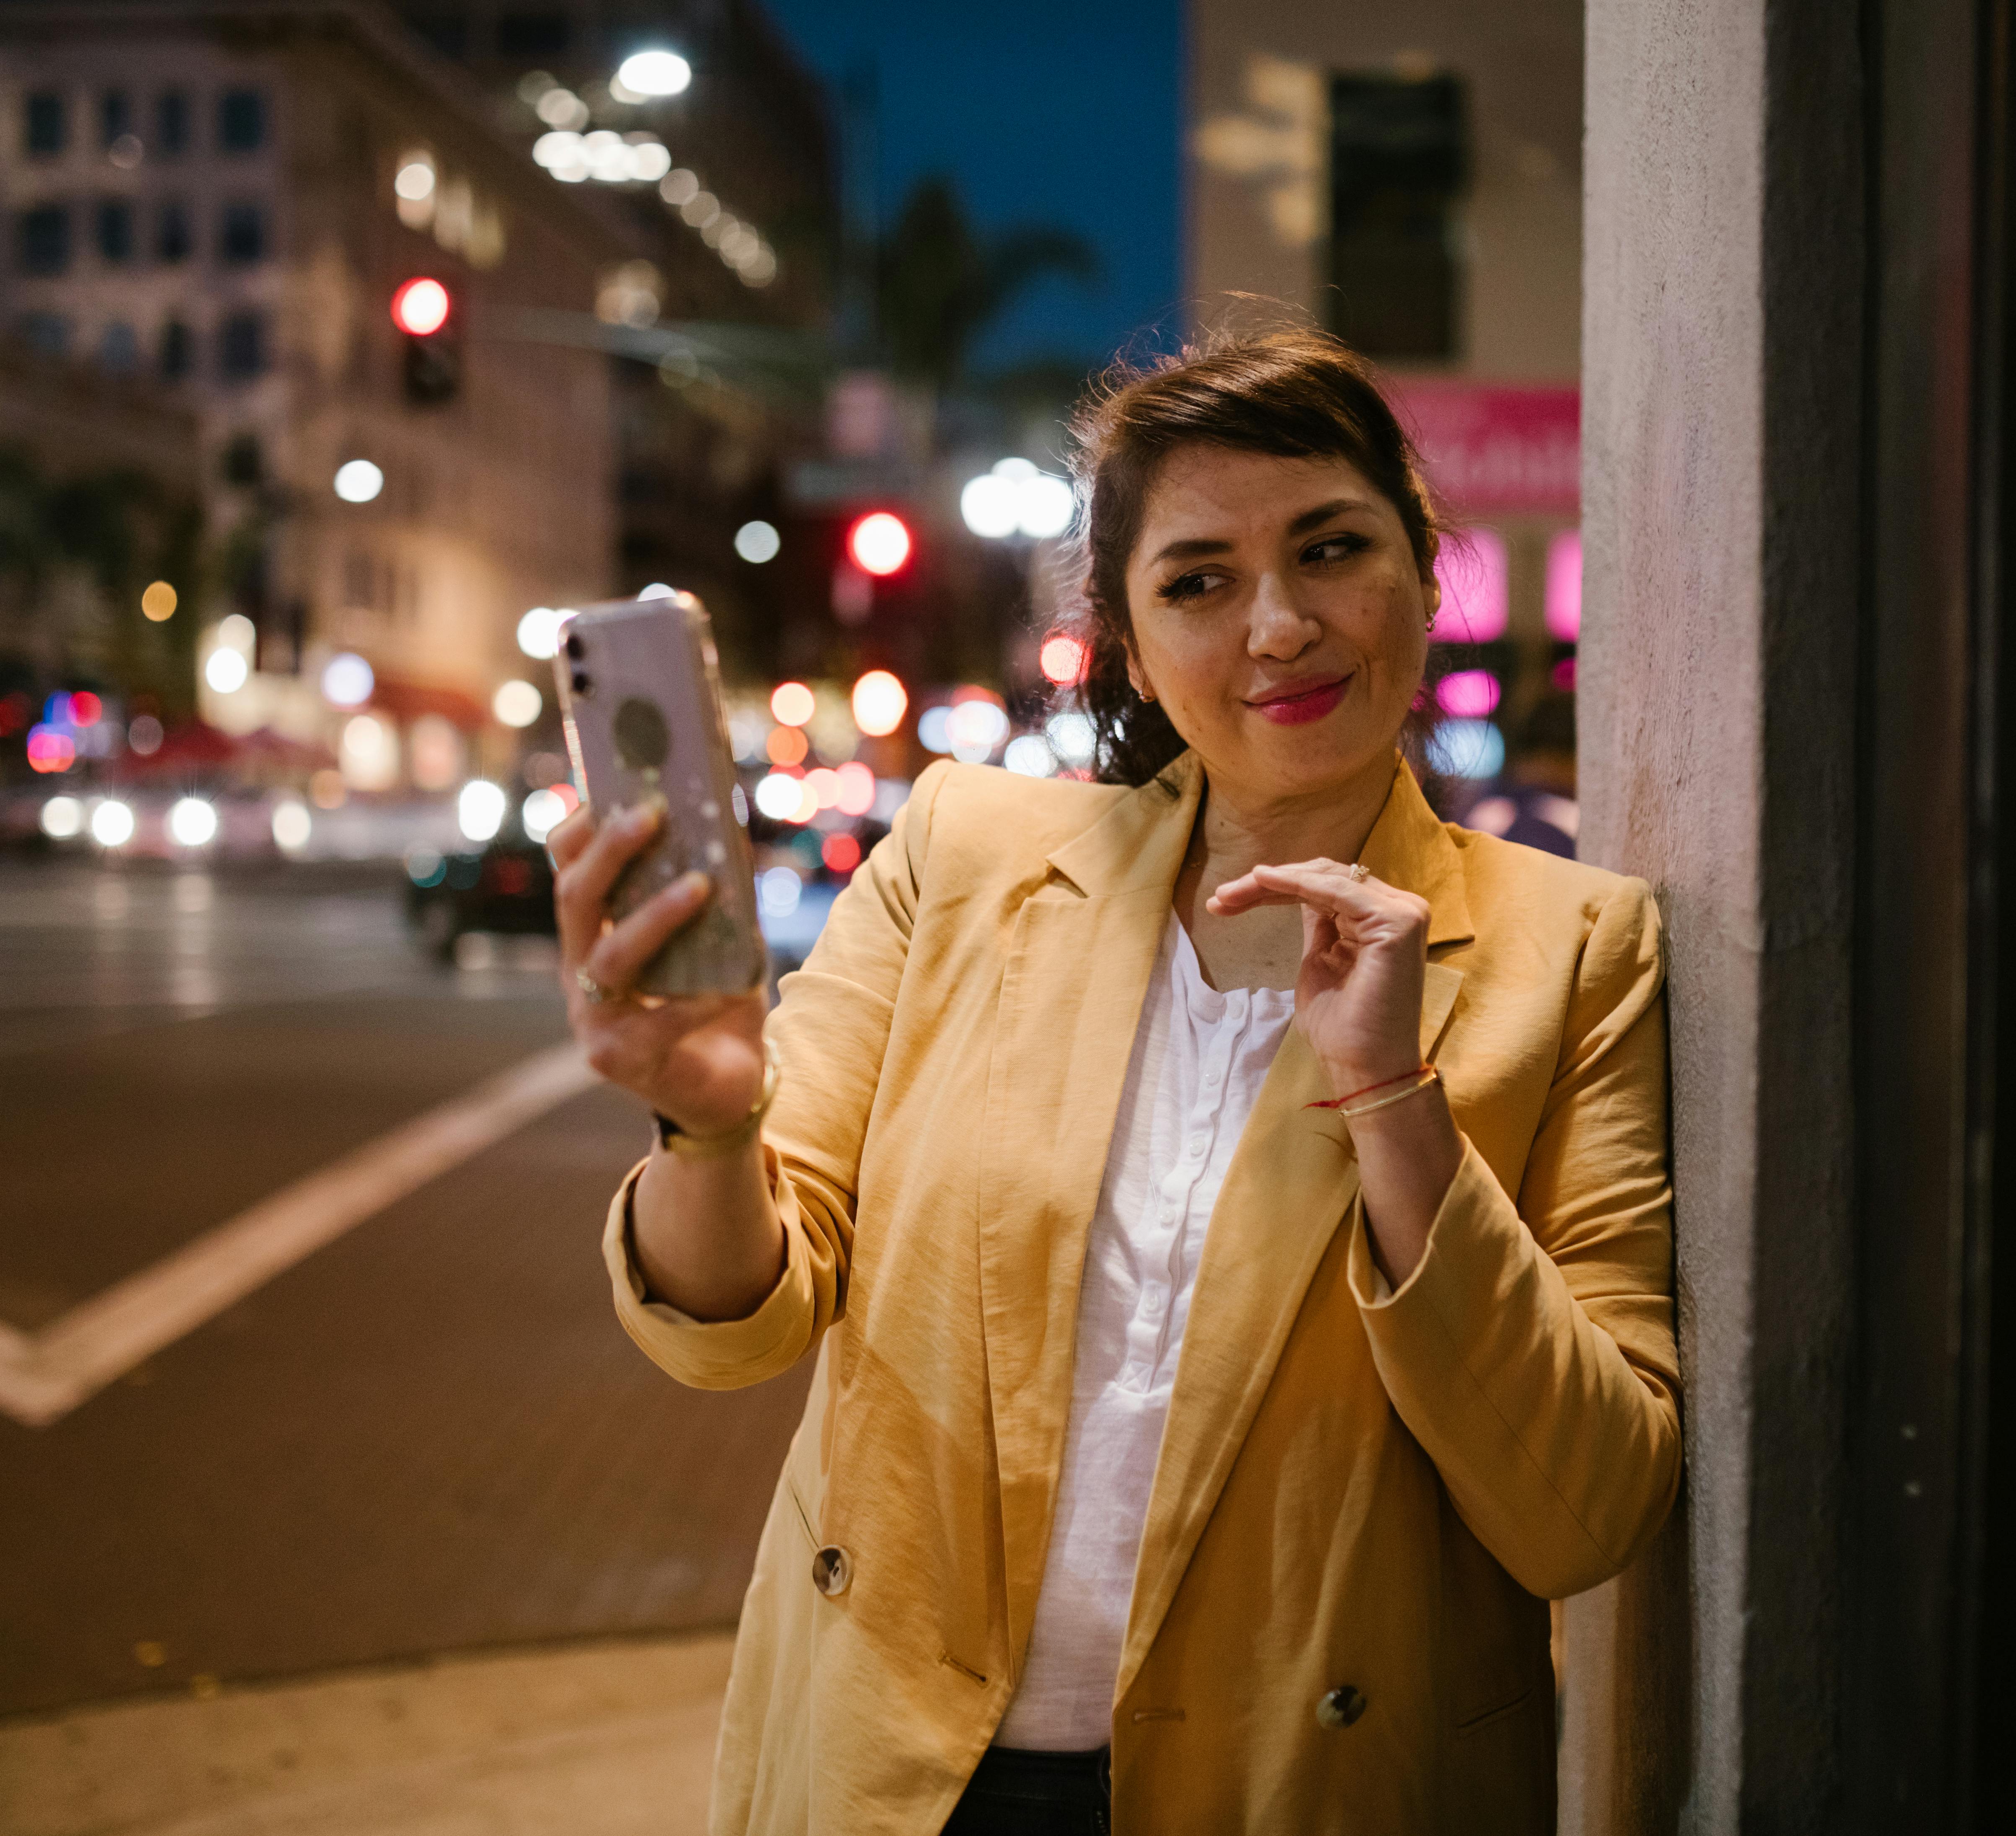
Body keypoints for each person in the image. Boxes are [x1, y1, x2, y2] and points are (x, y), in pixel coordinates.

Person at [547, 331, 1681, 1835]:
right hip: (897, 1773)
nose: (1276, 626)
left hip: (1312, 1792)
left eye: (1330, 550)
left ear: (1422, 577)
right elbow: (728, 1332)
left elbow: (1585, 1506)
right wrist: (708, 1121)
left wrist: (1396, 1103)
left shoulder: (1575, 947)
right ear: (1132, 649)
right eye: (1197, 581)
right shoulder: (964, 858)